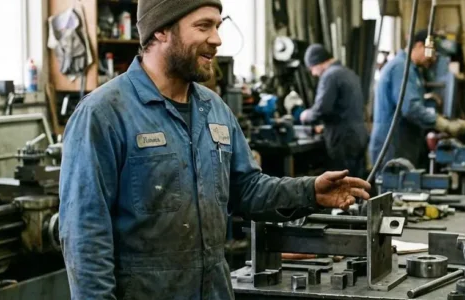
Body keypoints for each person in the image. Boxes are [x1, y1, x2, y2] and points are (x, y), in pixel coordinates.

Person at [58, 1, 372, 299]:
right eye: (203, 26)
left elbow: (246, 189)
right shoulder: (104, 116)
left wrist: (310, 192)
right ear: (160, 30)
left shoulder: (214, 110)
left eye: (217, 26)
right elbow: (85, 239)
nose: (217, 39)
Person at [370, 30, 465, 167]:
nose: (433, 58)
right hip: (393, 144)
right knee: (394, 186)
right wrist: (442, 124)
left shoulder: (413, 70)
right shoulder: (401, 68)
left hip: (403, 143)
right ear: (418, 46)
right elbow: (410, 107)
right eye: (431, 52)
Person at [301, 44, 369, 178]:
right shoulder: (349, 73)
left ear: (318, 63)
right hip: (359, 136)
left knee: (342, 185)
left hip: (343, 140)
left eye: (312, 69)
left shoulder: (330, 76)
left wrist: (305, 115)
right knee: (357, 182)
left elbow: (322, 109)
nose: (314, 74)